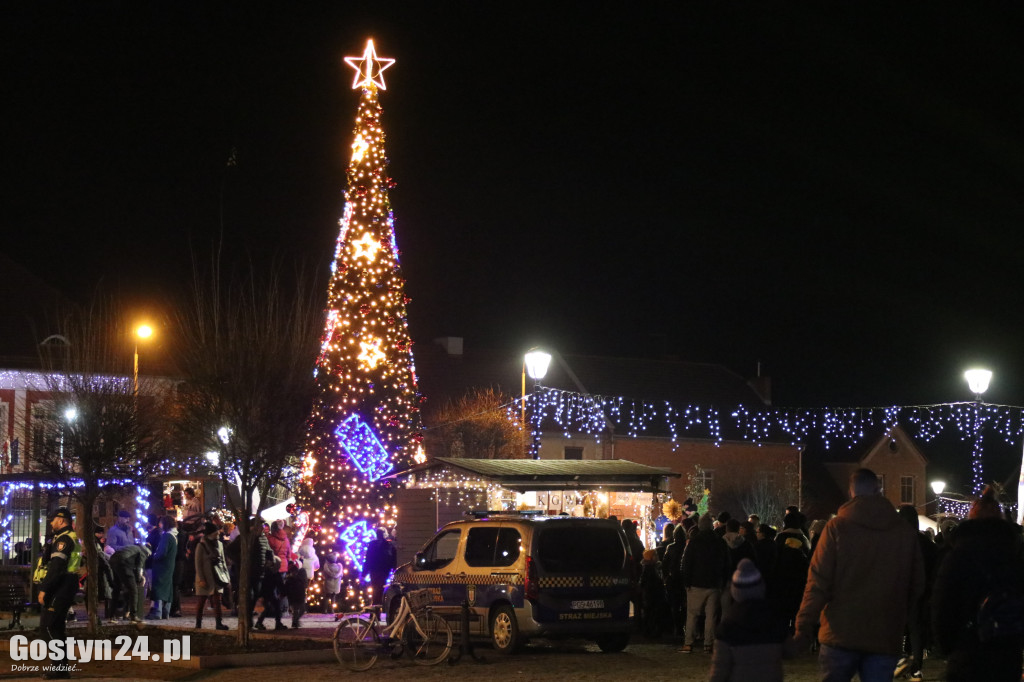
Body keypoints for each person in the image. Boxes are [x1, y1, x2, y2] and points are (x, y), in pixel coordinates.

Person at [794, 468, 924, 681]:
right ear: (879, 490)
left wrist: (803, 626)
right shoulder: (903, 531)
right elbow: (916, 583)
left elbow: (817, 582)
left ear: (852, 491)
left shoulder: (837, 528)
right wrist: (897, 612)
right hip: (884, 633)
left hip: (840, 632)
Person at [932, 486, 1024, 682]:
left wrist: (945, 645)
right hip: (1007, 644)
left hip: (968, 646)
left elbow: (943, 602)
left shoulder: (958, 554)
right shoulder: (1014, 553)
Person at [709, 558, 791, 682]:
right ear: (761, 587)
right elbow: (790, 651)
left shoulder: (727, 627)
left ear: (735, 591)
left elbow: (719, 670)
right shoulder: (775, 621)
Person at [37, 507, 81, 679]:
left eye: (53, 519)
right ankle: (61, 669)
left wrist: (44, 589)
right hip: (66, 584)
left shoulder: (64, 539)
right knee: (57, 628)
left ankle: (59, 667)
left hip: (60, 585)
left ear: (61, 520)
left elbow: (56, 567)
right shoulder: (66, 537)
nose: (51, 522)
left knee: (47, 627)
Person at [679, 512, 729, 654]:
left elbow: (686, 563)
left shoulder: (694, 542)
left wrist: (686, 582)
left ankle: (688, 643)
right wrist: (722, 581)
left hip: (695, 583)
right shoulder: (720, 542)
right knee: (711, 616)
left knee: (692, 615)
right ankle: (709, 644)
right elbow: (727, 563)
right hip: (714, 584)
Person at [194, 522, 229, 630]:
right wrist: (201, 579)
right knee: (201, 601)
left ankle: (219, 623)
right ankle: (198, 623)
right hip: (205, 577)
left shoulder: (220, 544)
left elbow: (223, 561)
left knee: (217, 601)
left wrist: (226, 575)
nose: (218, 534)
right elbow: (198, 563)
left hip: (217, 576)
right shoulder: (201, 545)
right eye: (215, 532)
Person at [109, 542, 150, 622]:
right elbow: (139, 568)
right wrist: (139, 580)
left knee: (116, 589)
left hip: (113, 560)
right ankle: (133, 616)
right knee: (133, 590)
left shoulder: (133, 548)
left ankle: (111, 616)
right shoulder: (143, 553)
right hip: (124, 563)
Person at [147, 515, 178, 619]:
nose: (159, 525)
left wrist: (154, 556)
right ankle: (166, 611)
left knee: (158, 587)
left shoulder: (166, 536)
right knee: (167, 588)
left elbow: (162, 552)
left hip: (161, 566)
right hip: (169, 566)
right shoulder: (173, 536)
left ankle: (157, 612)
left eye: (161, 523)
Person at [362, 528, 396, 605]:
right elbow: (392, 557)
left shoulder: (372, 544)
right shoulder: (389, 545)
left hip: (374, 569)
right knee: (381, 588)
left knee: (375, 588)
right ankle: (379, 605)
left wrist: (364, 572)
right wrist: (393, 568)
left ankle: (375, 607)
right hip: (384, 570)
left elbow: (368, 558)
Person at [284, 560, 309, 628]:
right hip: (294, 595)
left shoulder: (301, 572)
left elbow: (304, 582)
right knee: (296, 609)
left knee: (302, 609)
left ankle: (295, 621)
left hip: (299, 593)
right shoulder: (289, 577)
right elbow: (287, 586)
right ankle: (294, 622)